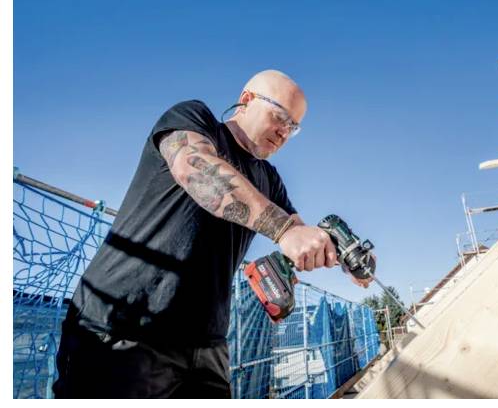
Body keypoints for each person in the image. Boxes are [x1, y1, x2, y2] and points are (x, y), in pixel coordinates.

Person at [52, 70, 371, 398]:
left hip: (206, 346)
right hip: (125, 327)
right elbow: (195, 167)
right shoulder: (194, 119)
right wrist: (284, 230)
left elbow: (301, 235)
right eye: (279, 117)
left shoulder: (269, 178)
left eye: (293, 127)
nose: (283, 133)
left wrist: (344, 251)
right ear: (246, 101)